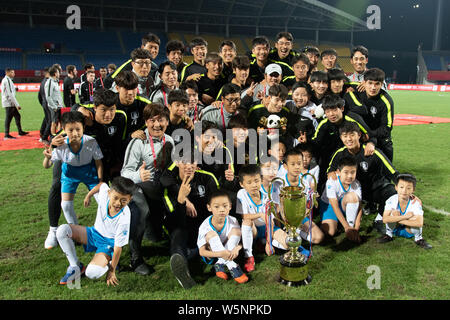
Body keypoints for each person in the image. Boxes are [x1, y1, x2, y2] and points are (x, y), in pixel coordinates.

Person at [120, 103, 174, 272]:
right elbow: (124, 172)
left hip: (156, 186)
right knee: (141, 210)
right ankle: (135, 259)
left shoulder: (170, 140)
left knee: (178, 199)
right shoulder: (138, 142)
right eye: (152, 120)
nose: (157, 125)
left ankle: (175, 237)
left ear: (167, 122)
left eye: (161, 120)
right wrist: (138, 176)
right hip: (136, 187)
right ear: (146, 122)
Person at [55, 176, 135, 286]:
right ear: (109, 193)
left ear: (129, 199)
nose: (118, 203)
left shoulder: (125, 217)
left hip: (108, 244)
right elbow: (101, 185)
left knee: (91, 273)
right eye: (115, 198)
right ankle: (76, 266)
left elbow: (118, 247)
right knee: (62, 231)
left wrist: (112, 271)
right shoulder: (104, 194)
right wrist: (89, 195)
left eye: (123, 200)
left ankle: (107, 261)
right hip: (94, 233)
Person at [327, 121, 399, 235]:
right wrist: (330, 173)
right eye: (345, 136)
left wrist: (403, 186)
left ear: (359, 135)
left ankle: (379, 220)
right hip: (354, 191)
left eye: (352, 135)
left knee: (394, 193)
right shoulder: (339, 154)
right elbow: (331, 170)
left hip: (374, 189)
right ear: (341, 138)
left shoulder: (372, 151)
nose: (349, 139)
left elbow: (392, 171)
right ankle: (347, 222)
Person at [43, 111, 104, 226]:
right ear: (64, 129)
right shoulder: (61, 145)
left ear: (83, 128)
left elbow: (98, 162)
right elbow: (47, 165)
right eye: (70, 130)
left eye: (78, 129)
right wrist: (47, 157)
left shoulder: (91, 141)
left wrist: (100, 181)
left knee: (103, 202)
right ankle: (75, 229)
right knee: (65, 206)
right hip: (69, 175)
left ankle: (101, 228)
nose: (75, 133)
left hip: (90, 174)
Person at [237, 164, 290, 273]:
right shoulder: (241, 194)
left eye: (256, 181)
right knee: (246, 222)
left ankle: (263, 243)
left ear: (261, 180)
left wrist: (268, 243)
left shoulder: (267, 198)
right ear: (242, 184)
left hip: (267, 228)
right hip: (254, 230)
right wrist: (260, 215)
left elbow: (270, 221)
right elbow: (244, 216)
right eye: (249, 182)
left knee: (288, 244)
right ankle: (249, 256)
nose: (254, 185)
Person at [197, 190, 248, 284]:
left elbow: (240, 242)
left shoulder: (233, 220)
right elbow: (202, 252)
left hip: (228, 251)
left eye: (225, 206)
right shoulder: (204, 226)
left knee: (236, 231)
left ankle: (220, 264)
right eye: (216, 207)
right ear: (209, 207)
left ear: (230, 206)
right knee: (211, 234)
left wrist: (237, 248)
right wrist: (220, 254)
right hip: (212, 254)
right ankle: (232, 265)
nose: (221, 209)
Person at [345, 68, 394, 161]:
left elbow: (386, 127)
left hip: (381, 139)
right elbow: (338, 82)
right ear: (364, 82)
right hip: (361, 137)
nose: (373, 87)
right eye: (370, 83)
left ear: (382, 84)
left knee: (384, 171)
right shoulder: (357, 88)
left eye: (377, 84)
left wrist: (370, 136)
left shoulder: (386, 101)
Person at [377, 173, 432, 249]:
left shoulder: (416, 203)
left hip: (408, 230)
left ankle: (418, 239)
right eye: (401, 187)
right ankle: (388, 235)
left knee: (414, 217)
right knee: (392, 214)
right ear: (396, 187)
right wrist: (405, 217)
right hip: (395, 229)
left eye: (408, 188)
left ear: (413, 190)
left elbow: (420, 223)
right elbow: (385, 219)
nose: (404, 191)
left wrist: (399, 219)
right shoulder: (391, 200)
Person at [319, 156, 363, 243]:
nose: (350, 176)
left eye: (353, 172)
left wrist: (356, 228)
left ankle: (350, 226)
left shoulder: (356, 184)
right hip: (330, 206)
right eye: (346, 172)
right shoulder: (332, 181)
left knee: (353, 197)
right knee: (330, 232)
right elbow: (334, 206)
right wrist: (346, 228)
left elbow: (359, 207)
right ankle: (342, 225)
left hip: (343, 204)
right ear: (338, 172)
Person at [1, 68, 28, 140]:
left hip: (9, 102)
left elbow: (8, 90)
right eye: (12, 72)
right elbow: (10, 94)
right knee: (8, 118)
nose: (14, 74)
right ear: (8, 73)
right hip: (9, 103)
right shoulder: (7, 80)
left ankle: (20, 131)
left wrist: (15, 88)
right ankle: (6, 135)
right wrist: (17, 104)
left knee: (17, 116)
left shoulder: (7, 80)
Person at [45, 65, 64, 135]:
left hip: (58, 105)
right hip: (54, 106)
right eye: (58, 72)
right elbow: (48, 96)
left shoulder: (55, 82)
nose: (59, 74)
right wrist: (54, 107)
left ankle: (59, 135)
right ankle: (53, 136)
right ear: (55, 73)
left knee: (60, 121)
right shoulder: (50, 82)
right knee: (54, 122)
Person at [38, 67, 51, 143]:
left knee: (46, 119)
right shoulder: (48, 82)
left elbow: (39, 95)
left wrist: (43, 103)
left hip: (44, 103)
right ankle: (45, 137)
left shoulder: (43, 81)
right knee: (50, 120)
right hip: (48, 104)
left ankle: (42, 133)